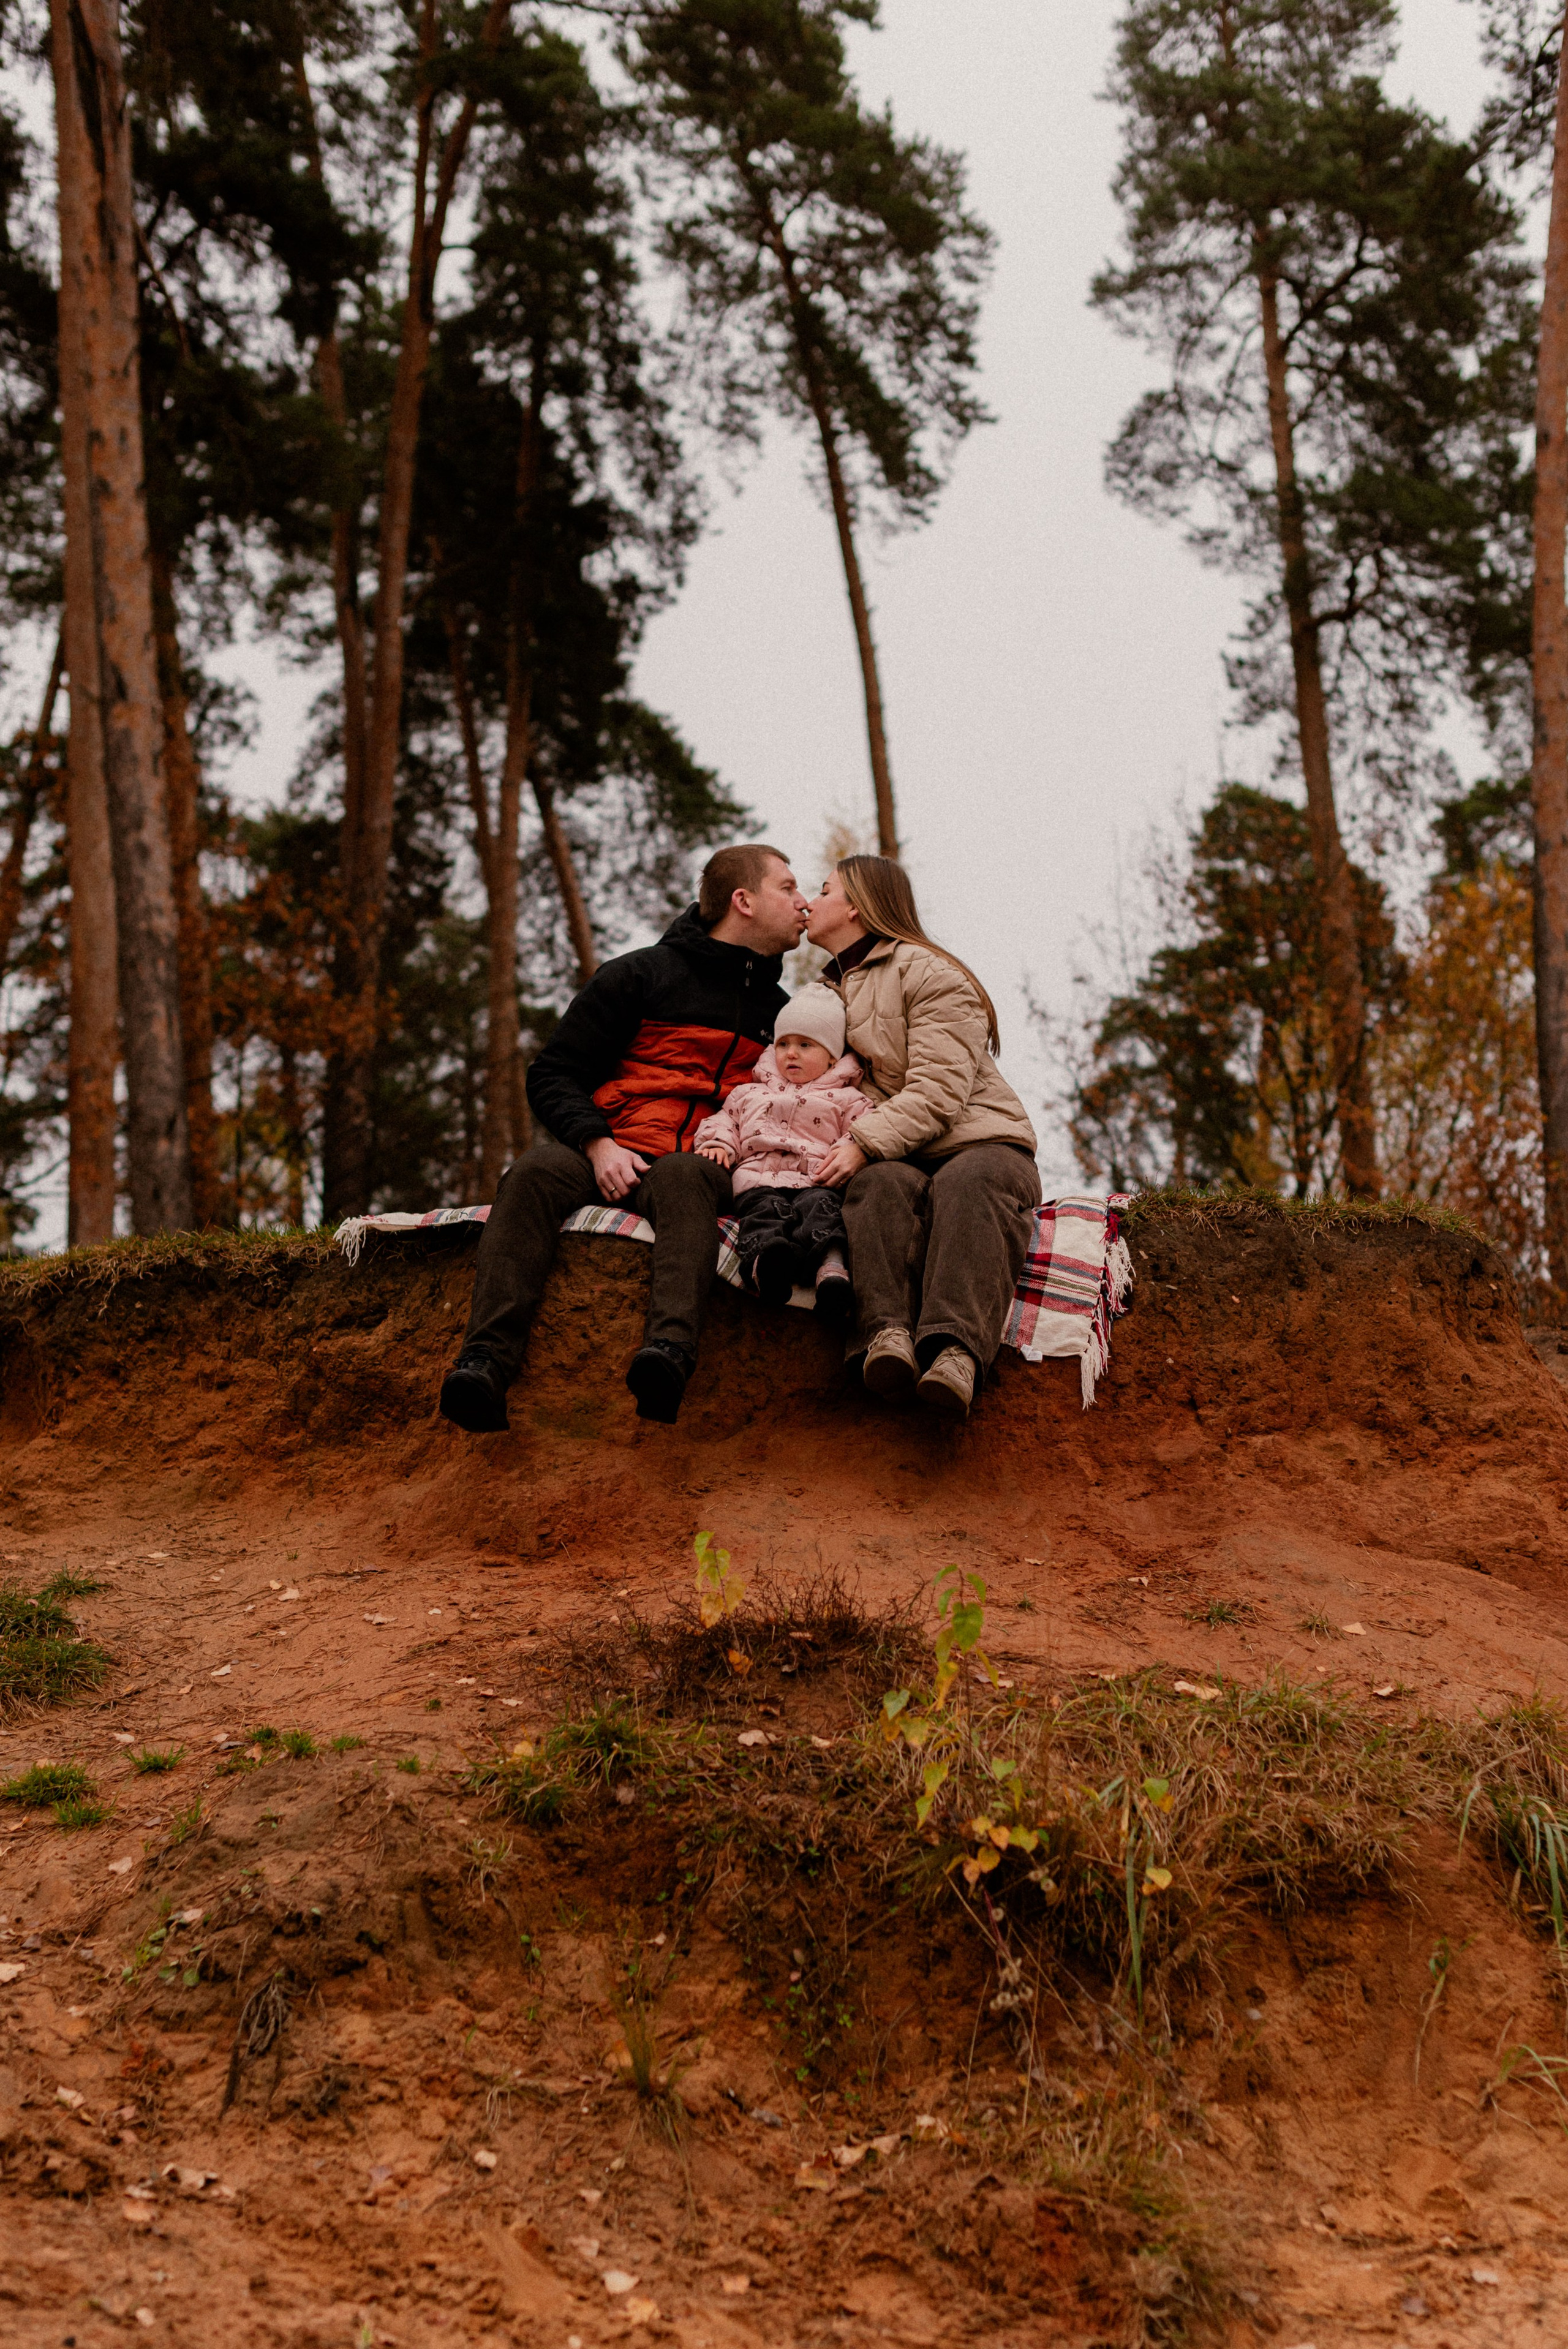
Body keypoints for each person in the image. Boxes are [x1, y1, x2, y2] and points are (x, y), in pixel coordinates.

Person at [439, 844, 807, 1432]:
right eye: (787, 888)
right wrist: (597, 1143)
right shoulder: (639, 975)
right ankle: (483, 1365)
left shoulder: (784, 1017)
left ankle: (668, 1357)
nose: (803, 902)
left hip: (702, 1158)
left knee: (685, 1176)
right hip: (612, 1144)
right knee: (531, 1172)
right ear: (744, 900)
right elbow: (552, 1073)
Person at [805, 854, 1041, 1421]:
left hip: (983, 1141)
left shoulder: (931, 974)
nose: (809, 902)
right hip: (903, 1152)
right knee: (880, 1186)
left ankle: (955, 1351)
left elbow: (939, 1091)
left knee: (968, 1183)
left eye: (823, 889)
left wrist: (861, 1141)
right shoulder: (828, 995)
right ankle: (884, 1338)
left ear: (856, 905)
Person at [692, 984, 869, 1322]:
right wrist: (718, 1144)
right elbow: (725, 1120)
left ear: (833, 1056)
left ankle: (832, 1271)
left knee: (825, 1214)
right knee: (761, 1218)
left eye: (806, 1045)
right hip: (758, 1180)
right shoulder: (750, 1092)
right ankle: (767, 1265)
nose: (791, 1053)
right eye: (784, 1044)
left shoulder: (847, 1099)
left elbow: (865, 1130)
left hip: (816, 1180)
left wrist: (852, 1146)